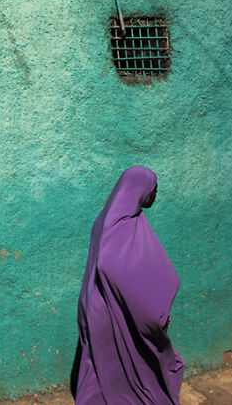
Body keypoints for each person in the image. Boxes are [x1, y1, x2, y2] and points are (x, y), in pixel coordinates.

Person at [72, 166, 184, 404]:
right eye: (154, 189)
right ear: (140, 190)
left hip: (95, 305)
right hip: (110, 311)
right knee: (117, 376)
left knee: (101, 374)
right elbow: (109, 267)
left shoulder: (110, 219)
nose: (155, 195)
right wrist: (153, 314)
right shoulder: (122, 224)